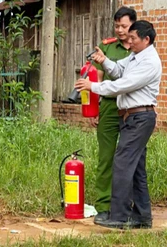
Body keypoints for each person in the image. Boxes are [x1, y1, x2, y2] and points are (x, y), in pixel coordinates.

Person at [75, 20, 162, 229]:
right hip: (131, 118)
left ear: (146, 39)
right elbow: (117, 70)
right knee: (137, 168)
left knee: (122, 163)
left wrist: (93, 86)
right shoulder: (135, 56)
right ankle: (142, 217)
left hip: (140, 117)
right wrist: (104, 61)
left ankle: (119, 216)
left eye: (133, 38)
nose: (128, 41)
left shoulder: (150, 61)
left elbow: (123, 84)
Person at [92, 7, 137, 224]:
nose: (119, 30)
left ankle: (129, 205)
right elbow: (96, 79)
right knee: (106, 158)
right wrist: (94, 109)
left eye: (124, 26)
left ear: (133, 26)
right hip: (109, 108)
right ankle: (103, 205)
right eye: (116, 25)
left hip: (133, 110)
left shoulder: (141, 48)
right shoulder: (107, 48)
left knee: (131, 159)